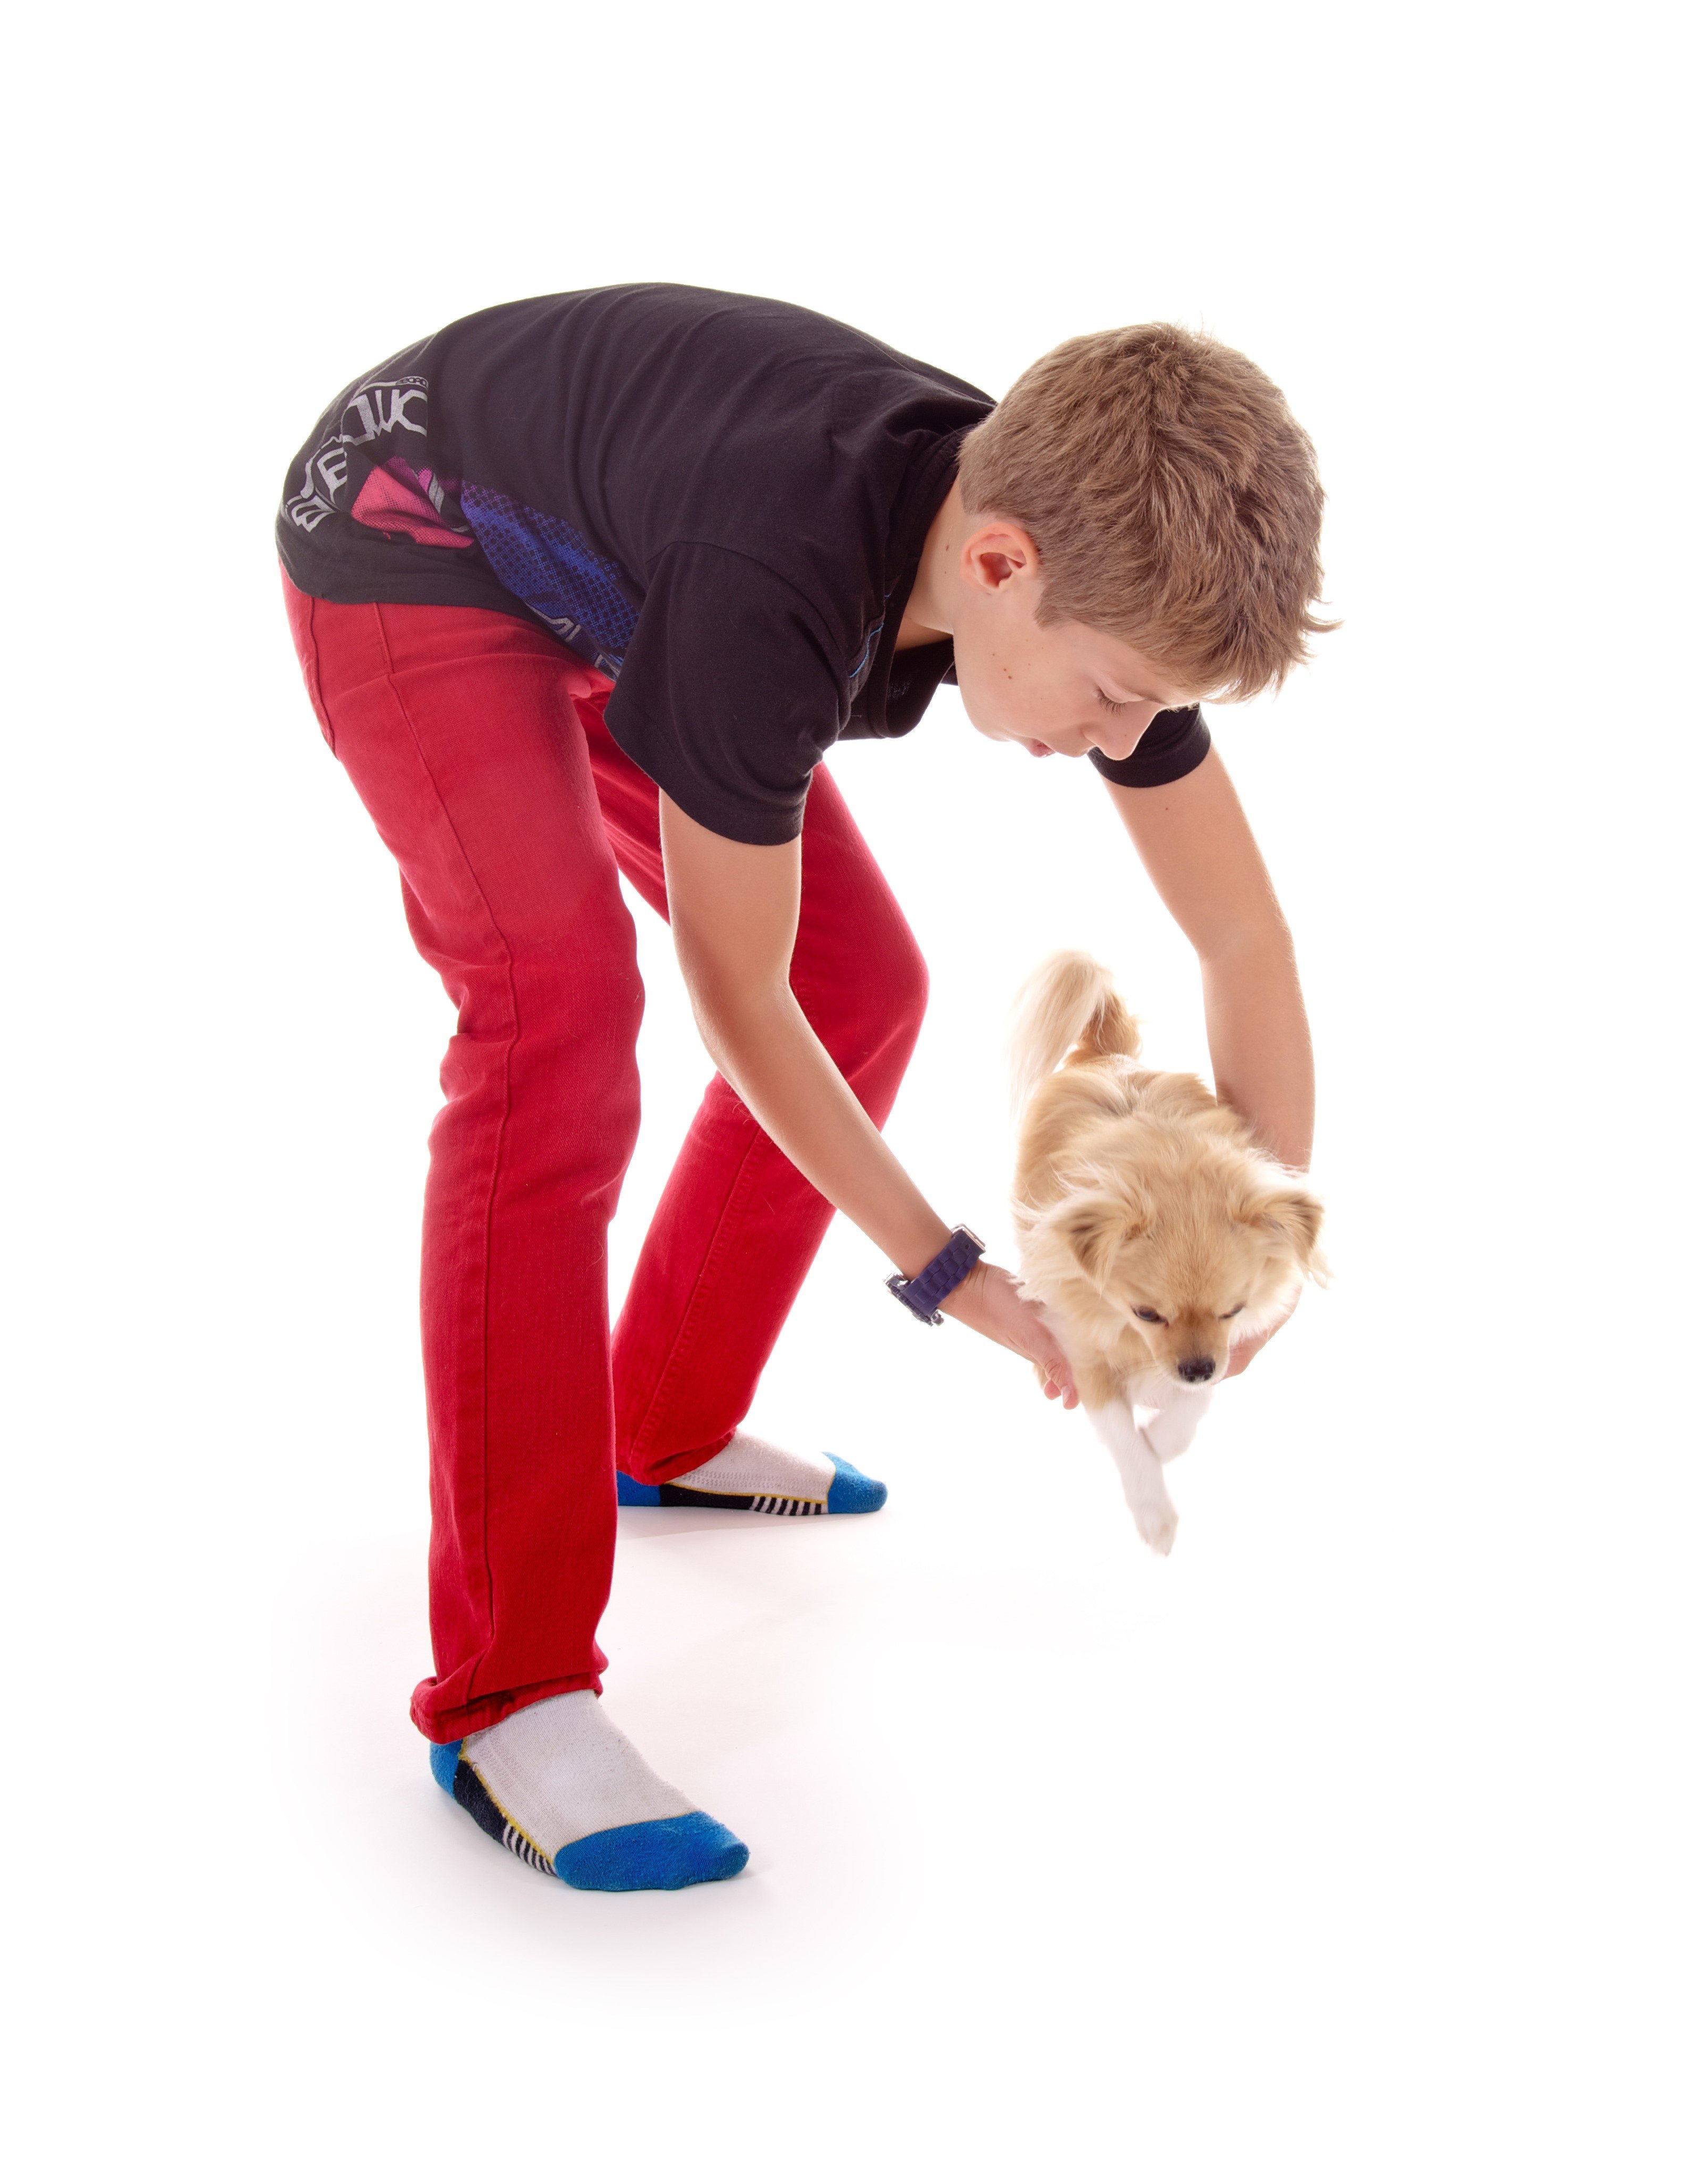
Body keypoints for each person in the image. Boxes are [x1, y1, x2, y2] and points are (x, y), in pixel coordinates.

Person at [276, 284, 1329, 1892]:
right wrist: (961, 1282)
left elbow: (1242, 937)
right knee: (554, 1026)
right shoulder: (776, 583)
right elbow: (736, 1002)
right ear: (1000, 566)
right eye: (1118, 694)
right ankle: (509, 1695)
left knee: (862, 981)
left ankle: (663, 1418)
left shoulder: (1072, 541)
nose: (1128, 735)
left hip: (628, 577)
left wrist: (1265, 1254)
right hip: (415, 540)